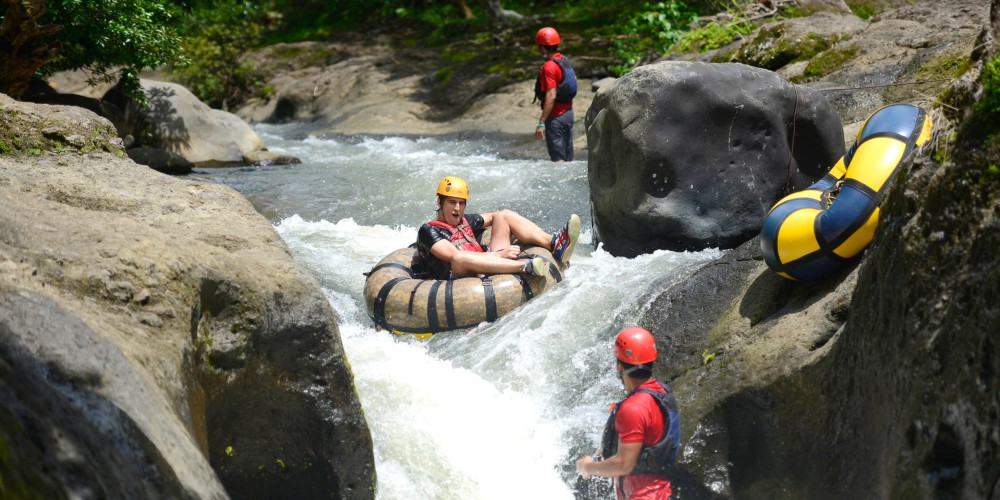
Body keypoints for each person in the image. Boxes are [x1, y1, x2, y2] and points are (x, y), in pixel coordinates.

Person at [576, 327, 682, 499]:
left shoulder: (634, 407)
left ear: (619, 366)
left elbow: (624, 464)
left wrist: (587, 467)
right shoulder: (661, 393)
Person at [416, 175, 580, 280]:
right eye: (452, 202)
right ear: (440, 202)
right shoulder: (429, 231)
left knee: (504, 214)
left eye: (461, 203)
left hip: (489, 260)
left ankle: (554, 243)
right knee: (459, 258)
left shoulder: (465, 220)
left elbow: (495, 216)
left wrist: (497, 253)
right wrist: (498, 255)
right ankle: (526, 266)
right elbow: (453, 257)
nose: (457, 209)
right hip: (458, 277)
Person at [533, 26, 577, 162]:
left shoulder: (549, 67)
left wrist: (541, 123)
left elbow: (551, 96)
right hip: (568, 115)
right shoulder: (564, 60)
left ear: (543, 47)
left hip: (556, 118)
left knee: (558, 161)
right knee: (568, 158)